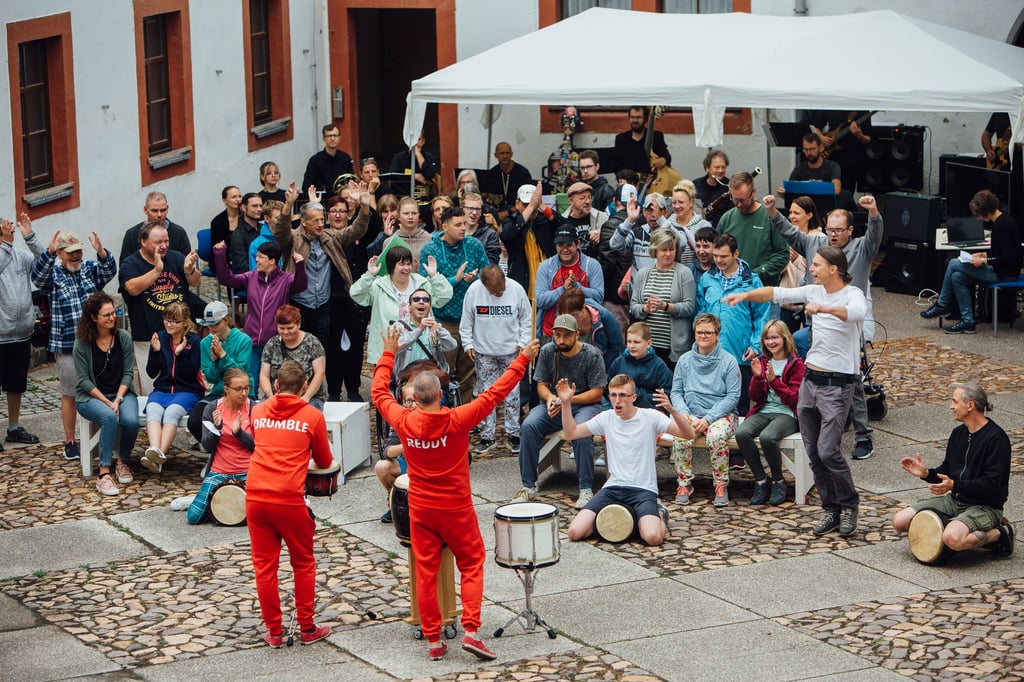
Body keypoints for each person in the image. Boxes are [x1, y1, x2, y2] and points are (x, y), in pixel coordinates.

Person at [372, 324, 540, 662]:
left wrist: (388, 351)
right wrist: (522, 359)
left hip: (420, 507)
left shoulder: (404, 421)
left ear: (415, 397)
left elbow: (378, 392)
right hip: (456, 509)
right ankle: (473, 631)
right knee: (472, 564)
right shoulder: (457, 419)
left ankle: (434, 639)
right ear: (440, 394)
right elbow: (495, 394)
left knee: (426, 570)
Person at [725, 247, 866, 537]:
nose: (811, 267)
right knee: (814, 452)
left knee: (829, 450)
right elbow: (777, 293)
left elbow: (854, 314)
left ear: (834, 269)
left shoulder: (852, 294)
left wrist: (823, 308)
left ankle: (849, 504)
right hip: (811, 382)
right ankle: (832, 509)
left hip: (838, 384)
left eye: (816, 264)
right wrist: (745, 296)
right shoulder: (813, 290)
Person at [766, 193, 883, 460]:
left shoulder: (861, 249)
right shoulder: (814, 242)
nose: (832, 235)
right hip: (816, 325)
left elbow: (876, 235)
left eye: (839, 230)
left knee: (851, 381)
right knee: (805, 364)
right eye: (829, 229)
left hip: (847, 325)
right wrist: (773, 211)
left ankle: (864, 436)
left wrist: (874, 212)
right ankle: (809, 421)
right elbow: (788, 231)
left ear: (850, 230)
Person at [247, 360, 333, 648]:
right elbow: (324, 460)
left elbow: (261, 440)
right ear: (305, 387)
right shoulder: (312, 416)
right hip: (289, 498)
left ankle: (274, 632)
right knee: (303, 563)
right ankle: (307, 628)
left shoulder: (257, 410)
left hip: (256, 497)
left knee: (264, 568)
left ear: (276, 385)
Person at [560, 374, 694, 546]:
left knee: (653, 538)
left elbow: (688, 434)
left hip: (643, 489)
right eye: (613, 395)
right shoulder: (606, 417)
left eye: (623, 395)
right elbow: (571, 433)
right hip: (613, 488)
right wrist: (565, 403)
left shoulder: (650, 416)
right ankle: (627, 521)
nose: (617, 401)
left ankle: (659, 513)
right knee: (574, 532)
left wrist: (672, 410)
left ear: (633, 398)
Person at [890, 381, 1014, 558]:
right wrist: (926, 474)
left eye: (955, 401)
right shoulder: (958, 434)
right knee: (899, 521)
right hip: (955, 501)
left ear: (970, 405)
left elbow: (992, 484)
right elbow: (947, 470)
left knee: (952, 539)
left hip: (985, 506)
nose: (951, 406)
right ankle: (958, 524)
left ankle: (999, 534)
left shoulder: (997, 439)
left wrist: (954, 485)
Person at [274, 181, 369, 402]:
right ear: (304, 222)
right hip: (299, 305)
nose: (321, 223)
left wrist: (364, 206)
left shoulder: (329, 237)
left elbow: (357, 229)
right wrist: (288, 205)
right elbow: (280, 232)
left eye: (321, 219)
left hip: (323, 306)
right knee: (296, 352)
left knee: (320, 352)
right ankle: (295, 393)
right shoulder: (294, 239)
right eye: (315, 220)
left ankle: (316, 394)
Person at [32, 229, 117, 461]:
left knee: (100, 390)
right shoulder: (54, 274)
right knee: (69, 394)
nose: (76, 256)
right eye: (70, 252)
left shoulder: (89, 268)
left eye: (79, 250)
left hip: (96, 342)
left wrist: (101, 251)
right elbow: (37, 278)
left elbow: (109, 270)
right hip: (67, 344)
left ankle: (102, 436)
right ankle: (70, 442)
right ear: (60, 253)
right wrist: (47, 254)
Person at [514, 314, 607, 508]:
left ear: (577, 334)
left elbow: (597, 393)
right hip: (556, 403)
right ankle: (528, 486)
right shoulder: (548, 351)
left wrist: (568, 399)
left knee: (581, 431)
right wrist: (549, 398)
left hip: (584, 404)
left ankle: (585, 488)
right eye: (557, 335)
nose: (561, 340)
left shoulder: (592, 354)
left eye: (566, 335)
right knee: (529, 426)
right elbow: (541, 384)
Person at [921, 189, 1023, 334]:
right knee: (957, 277)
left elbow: (1009, 257)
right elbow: (1004, 252)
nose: (978, 218)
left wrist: (985, 261)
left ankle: (942, 304)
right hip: (1003, 270)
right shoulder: (1005, 219)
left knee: (953, 263)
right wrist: (984, 254)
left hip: (1003, 274)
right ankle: (968, 321)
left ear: (984, 212)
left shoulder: (1001, 227)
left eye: (978, 215)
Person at [417, 207, 490, 405]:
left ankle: (464, 415)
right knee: (442, 372)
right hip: (442, 321)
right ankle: (442, 412)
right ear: (444, 226)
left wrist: (477, 279)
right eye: (458, 225)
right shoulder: (430, 250)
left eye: (464, 224)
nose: (463, 228)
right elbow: (424, 287)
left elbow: (488, 274)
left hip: (471, 320)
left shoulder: (474, 245)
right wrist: (455, 279)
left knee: (469, 372)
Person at [119, 222, 201, 395]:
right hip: (149, 336)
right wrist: (157, 271)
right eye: (158, 242)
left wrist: (188, 270)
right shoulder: (131, 263)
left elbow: (196, 282)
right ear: (143, 241)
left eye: (166, 241)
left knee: (185, 386)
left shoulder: (177, 257)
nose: (164, 246)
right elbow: (132, 288)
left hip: (182, 335)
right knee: (151, 390)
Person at [669, 313, 741, 507]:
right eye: (700, 332)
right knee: (681, 434)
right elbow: (676, 392)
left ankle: (720, 484)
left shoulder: (728, 361)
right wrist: (683, 413)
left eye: (708, 332)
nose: (704, 336)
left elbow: (733, 396)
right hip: (691, 412)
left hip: (722, 415)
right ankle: (684, 483)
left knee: (716, 437)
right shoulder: (684, 361)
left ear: (717, 334)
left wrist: (709, 418)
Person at [460, 265, 532, 453]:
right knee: (486, 394)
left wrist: (524, 342)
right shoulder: (474, 291)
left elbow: (526, 319)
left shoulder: (516, 289)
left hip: (511, 351)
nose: (500, 294)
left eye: (502, 290)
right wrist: (468, 344)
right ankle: (487, 435)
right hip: (484, 352)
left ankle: (513, 433)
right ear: (485, 286)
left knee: (513, 394)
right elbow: (466, 320)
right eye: (495, 292)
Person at [697, 233, 771, 415]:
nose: (719, 261)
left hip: (740, 352)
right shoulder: (707, 279)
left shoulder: (752, 281)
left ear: (735, 253)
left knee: (740, 403)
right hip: (711, 352)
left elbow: (762, 316)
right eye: (716, 256)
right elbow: (700, 311)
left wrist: (755, 346)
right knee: (712, 400)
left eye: (724, 256)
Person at [73, 292, 139, 495]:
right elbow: (83, 381)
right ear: (94, 318)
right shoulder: (82, 343)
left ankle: (122, 460)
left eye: (114, 313)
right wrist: (108, 403)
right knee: (109, 417)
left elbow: (129, 372)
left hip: (120, 392)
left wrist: (118, 399)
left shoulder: (123, 338)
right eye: (106, 315)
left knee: (131, 421)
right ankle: (103, 473)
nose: (112, 318)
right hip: (91, 396)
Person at [214, 240, 306, 383]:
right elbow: (227, 279)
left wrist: (299, 265)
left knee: (277, 383)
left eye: (261, 256)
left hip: (276, 343)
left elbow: (301, 285)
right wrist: (220, 254)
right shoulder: (251, 277)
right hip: (252, 341)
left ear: (272, 261)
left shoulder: (285, 280)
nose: (256, 259)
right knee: (251, 383)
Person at [735, 320, 805, 506]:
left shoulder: (796, 364)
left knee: (768, 437)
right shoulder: (763, 361)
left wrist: (774, 381)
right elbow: (755, 397)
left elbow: (794, 398)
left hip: (787, 413)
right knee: (741, 433)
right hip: (764, 410)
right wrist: (757, 378)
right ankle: (760, 479)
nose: (770, 342)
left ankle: (777, 480)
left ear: (785, 338)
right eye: (767, 338)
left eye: (775, 337)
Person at [352, 242, 452, 364]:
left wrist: (434, 276)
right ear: (391, 266)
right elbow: (356, 294)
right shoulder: (379, 285)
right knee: (386, 382)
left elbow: (445, 296)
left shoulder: (422, 283)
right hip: (388, 349)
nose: (406, 268)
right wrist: (369, 276)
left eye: (408, 264)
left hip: (419, 349)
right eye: (401, 264)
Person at [180, 368, 255, 524]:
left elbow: (258, 446)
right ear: (226, 389)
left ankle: (226, 508)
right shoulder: (212, 408)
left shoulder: (253, 408)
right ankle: (215, 505)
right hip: (220, 472)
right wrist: (217, 429)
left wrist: (239, 433)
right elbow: (206, 445)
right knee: (193, 517)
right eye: (238, 389)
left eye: (246, 388)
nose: (244, 393)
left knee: (261, 515)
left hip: (249, 471)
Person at [140, 302, 204, 474]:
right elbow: (151, 372)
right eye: (167, 320)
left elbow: (191, 373)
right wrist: (155, 352)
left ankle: (159, 454)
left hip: (188, 390)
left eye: (174, 321)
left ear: (185, 322)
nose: (169, 324)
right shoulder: (160, 338)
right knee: (152, 409)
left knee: (172, 412)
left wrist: (180, 354)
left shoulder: (195, 341)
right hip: (163, 389)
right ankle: (155, 452)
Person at [0, 214, 44, 448]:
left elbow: (43, 262)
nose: (10, 236)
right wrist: (6, 244)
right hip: (0, 335)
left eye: (10, 232)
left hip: (21, 333)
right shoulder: (4, 254)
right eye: (5, 232)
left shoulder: (18, 256)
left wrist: (30, 237)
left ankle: (14, 427)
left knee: (16, 383)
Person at [628, 228, 696, 369]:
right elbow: (633, 306)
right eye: (663, 250)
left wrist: (666, 306)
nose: (668, 254)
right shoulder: (643, 273)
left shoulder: (684, 273)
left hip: (673, 346)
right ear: (655, 250)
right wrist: (645, 308)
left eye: (671, 249)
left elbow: (690, 307)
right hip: (646, 345)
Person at [186, 301, 253, 443]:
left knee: (240, 420)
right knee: (194, 421)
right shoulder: (205, 343)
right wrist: (214, 362)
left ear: (227, 320)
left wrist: (223, 356)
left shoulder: (243, 340)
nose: (212, 328)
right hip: (219, 392)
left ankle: (233, 449)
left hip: (241, 391)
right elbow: (211, 378)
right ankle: (217, 449)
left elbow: (241, 374)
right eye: (209, 324)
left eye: (216, 324)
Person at [717, 172, 789, 286]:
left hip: (762, 288)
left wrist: (756, 273)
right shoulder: (726, 219)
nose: (739, 205)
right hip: (732, 288)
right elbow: (717, 252)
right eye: (735, 200)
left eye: (743, 200)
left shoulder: (770, 217)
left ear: (754, 192)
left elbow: (783, 255)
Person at [535, 225, 604, 340]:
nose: (564, 249)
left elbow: (599, 297)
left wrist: (577, 287)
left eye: (569, 245)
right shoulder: (545, 266)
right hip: (550, 333)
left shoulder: (592, 265)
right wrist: (563, 289)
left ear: (578, 244)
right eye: (560, 245)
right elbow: (540, 301)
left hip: (583, 334)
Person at [259, 305, 327, 410]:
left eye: (290, 328)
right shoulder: (272, 344)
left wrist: (306, 397)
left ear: (298, 324)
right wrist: (270, 397)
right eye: (282, 328)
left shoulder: (312, 343)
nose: (286, 332)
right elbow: (264, 375)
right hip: (277, 396)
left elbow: (320, 373)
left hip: (309, 397)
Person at [500, 182, 563, 295]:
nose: (532, 208)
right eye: (526, 204)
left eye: (534, 204)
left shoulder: (546, 220)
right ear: (517, 204)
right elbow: (507, 236)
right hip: (522, 285)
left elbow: (565, 227)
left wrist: (542, 206)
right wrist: (530, 208)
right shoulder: (511, 222)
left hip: (550, 286)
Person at [775, 196, 823, 332]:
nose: (791, 217)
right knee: (785, 343)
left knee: (808, 343)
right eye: (790, 213)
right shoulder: (784, 237)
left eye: (796, 213)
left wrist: (797, 260)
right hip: (788, 302)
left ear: (809, 215)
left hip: (811, 303)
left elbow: (817, 271)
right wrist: (784, 260)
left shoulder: (819, 239)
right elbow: (777, 266)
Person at [374, 381, 416, 523]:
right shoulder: (401, 420)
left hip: (429, 468)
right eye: (410, 401)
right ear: (404, 402)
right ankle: (395, 500)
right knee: (381, 466)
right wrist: (408, 444)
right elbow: (387, 451)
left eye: (417, 400)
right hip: (407, 464)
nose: (414, 405)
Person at [606, 322, 673, 410]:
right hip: (621, 409)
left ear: (648, 343)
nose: (631, 346)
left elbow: (663, 398)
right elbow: (609, 389)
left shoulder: (659, 366)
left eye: (636, 342)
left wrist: (636, 394)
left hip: (648, 411)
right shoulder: (618, 362)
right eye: (629, 342)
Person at [119, 191, 192, 264]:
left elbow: (187, 265)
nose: (159, 214)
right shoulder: (132, 234)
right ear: (145, 210)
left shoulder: (178, 233)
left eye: (163, 210)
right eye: (154, 211)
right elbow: (124, 267)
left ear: (167, 208)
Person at [610, 193, 670, 276]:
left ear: (665, 212)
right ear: (644, 212)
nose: (653, 214)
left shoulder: (671, 232)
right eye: (649, 210)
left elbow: (682, 243)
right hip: (638, 287)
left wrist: (661, 220)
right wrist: (629, 220)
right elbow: (614, 245)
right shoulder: (636, 233)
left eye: (658, 210)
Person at [613, 106, 671, 181]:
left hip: (652, 181)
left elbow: (666, 156)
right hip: (629, 182)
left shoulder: (656, 136)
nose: (635, 120)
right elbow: (617, 166)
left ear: (646, 119)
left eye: (639, 117)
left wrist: (663, 160)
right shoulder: (621, 139)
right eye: (632, 117)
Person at [301, 123, 354, 200]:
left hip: (342, 200)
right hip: (322, 200)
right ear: (324, 139)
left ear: (339, 138)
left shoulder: (346, 158)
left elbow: (351, 182)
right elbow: (306, 186)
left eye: (335, 136)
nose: (332, 138)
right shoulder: (315, 160)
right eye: (329, 136)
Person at [777, 134, 842, 195]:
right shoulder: (799, 169)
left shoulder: (832, 167)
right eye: (806, 149)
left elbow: (836, 189)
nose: (809, 153)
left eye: (812, 149)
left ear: (821, 148)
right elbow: (790, 190)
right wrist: (784, 193)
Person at [667, 180, 710, 264]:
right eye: (674, 202)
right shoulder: (668, 225)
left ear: (691, 202)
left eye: (681, 202)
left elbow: (711, 256)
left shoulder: (704, 226)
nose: (677, 206)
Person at [562, 181, 606, 260]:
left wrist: (602, 235)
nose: (588, 202)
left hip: (596, 265)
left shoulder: (602, 217)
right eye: (582, 198)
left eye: (589, 197)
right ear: (571, 201)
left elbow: (614, 239)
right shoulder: (562, 221)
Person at [461, 191, 502, 265]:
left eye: (477, 209)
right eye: (470, 208)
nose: (474, 212)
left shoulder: (490, 234)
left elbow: (492, 263)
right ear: (462, 209)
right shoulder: (455, 232)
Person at [490, 141, 533, 211]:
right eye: (502, 153)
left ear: (511, 154)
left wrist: (508, 213)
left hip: (517, 210)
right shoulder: (492, 173)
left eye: (507, 153)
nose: (505, 156)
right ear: (496, 155)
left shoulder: (523, 173)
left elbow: (528, 199)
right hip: (497, 210)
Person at [693, 149, 731, 227]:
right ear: (707, 168)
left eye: (723, 167)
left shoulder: (730, 186)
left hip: (722, 229)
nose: (720, 170)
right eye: (717, 167)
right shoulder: (695, 185)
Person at [229, 193, 265, 275]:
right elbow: (242, 268)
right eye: (254, 206)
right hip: (253, 279)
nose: (259, 209)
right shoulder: (238, 235)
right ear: (243, 208)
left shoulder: (265, 228)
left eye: (260, 206)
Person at [209, 186, 243, 271]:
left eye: (239, 196)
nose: (238, 199)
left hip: (243, 256)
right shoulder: (217, 221)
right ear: (225, 200)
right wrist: (229, 260)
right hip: (224, 258)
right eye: (233, 197)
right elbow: (217, 246)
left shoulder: (246, 217)